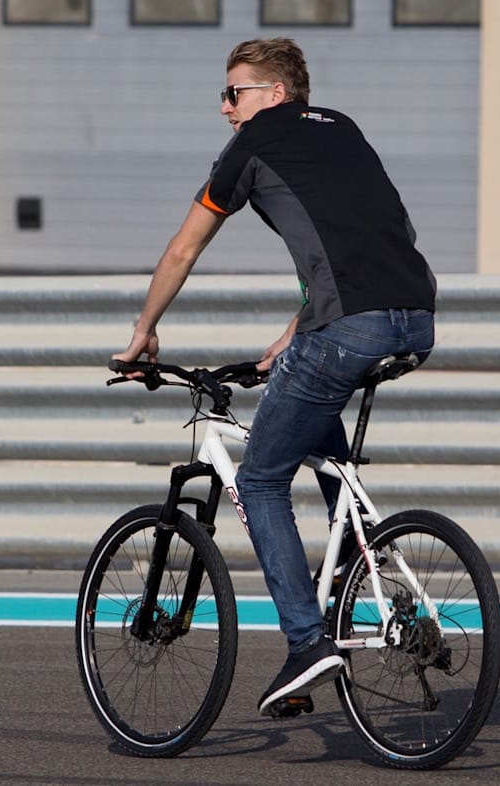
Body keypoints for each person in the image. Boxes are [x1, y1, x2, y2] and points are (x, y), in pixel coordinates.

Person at [112, 38, 437, 716]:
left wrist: (143, 332)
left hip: (350, 325)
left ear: (274, 94)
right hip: (414, 316)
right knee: (311, 402)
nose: (224, 107)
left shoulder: (252, 145)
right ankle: (355, 562)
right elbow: (369, 234)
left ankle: (305, 643)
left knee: (260, 477)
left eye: (234, 92)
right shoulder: (342, 128)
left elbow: (185, 245)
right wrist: (296, 331)